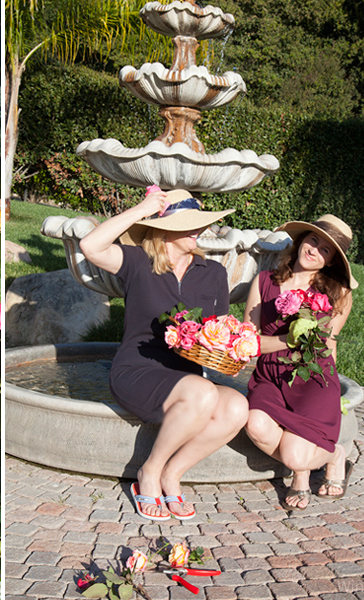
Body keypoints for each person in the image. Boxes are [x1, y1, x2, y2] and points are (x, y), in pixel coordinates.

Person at [79, 187, 249, 521]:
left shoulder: (212, 273)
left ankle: (173, 474)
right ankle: (149, 474)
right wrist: (142, 209)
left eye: (198, 222)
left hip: (188, 377)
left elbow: (221, 330)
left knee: (236, 406)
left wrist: (231, 347)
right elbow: (89, 246)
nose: (197, 229)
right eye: (188, 222)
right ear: (165, 228)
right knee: (200, 391)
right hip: (138, 370)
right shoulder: (139, 263)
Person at [243, 214, 357, 510]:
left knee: (295, 457)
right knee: (255, 424)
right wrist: (286, 341)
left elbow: (329, 344)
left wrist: (334, 392)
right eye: (313, 240)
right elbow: (247, 341)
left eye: (325, 249)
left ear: (331, 260)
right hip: (271, 377)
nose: (314, 250)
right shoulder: (264, 282)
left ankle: (329, 458)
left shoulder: (338, 293)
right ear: (302, 240)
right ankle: (318, 458)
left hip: (311, 379)